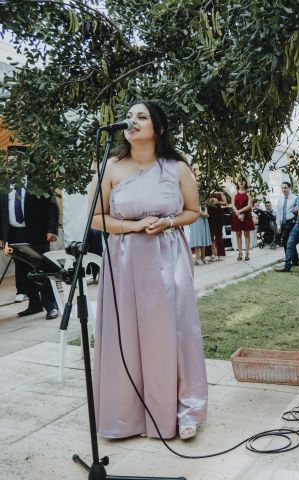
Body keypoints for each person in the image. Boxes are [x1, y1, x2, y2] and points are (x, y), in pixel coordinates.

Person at [89, 100, 208, 441]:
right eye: (129, 116)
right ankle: (126, 416)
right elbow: (97, 219)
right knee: (125, 335)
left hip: (168, 257)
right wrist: (133, 226)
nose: (132, 121)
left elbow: (193, 211)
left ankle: (184, 409)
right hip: (124, 261)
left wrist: (167, 221)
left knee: (174, 332)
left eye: (141, 116)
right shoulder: (110, 166)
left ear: (159, 127)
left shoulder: (177, 167)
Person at [0, 177, 60, 319]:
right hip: (14, 235)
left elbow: (52, 205)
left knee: (42, 270)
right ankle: (34, 304)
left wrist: (52, 229)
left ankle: (52, 306)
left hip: (37, 234)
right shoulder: (4, 185)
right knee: (22, 271)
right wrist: (2, 235)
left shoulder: (38, 181)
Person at [230, 176, 254, 261]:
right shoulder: (234, 193)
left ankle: (247, 253)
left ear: (245, 182)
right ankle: (240, 253)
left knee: (246, 234)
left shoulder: (248, 193)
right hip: (237, 216)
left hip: (246, 216)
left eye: (243, 181)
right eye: (239, 181)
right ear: (237, 182)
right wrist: (237, 213)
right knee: (238, 234)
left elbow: (249, 206)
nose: (241, 182)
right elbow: (232, 204)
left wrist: (239, 211)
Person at [276, 181, 299, 267]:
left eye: (285, 188)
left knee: (285, 241)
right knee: (290, 242)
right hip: (283, 223)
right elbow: (278, 213)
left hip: (291, 222)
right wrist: (278, 224)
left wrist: (297, 220)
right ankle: (296, 261)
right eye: (282, 188)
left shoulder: (295, 198)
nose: (283, 189)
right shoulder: (280, 200)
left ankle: (288, 260)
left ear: (289, 188)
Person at [206, 190, 227, 260]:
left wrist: (218, 202)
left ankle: (220, 254)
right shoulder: (206, 191)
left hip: (218, 214)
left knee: (218, 234)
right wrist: (209, 201)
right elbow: (203, 202)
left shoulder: (220, 192)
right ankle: (210, 253)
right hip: (209, 214)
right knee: (210, 235)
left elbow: (225, 203)